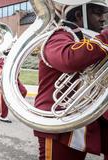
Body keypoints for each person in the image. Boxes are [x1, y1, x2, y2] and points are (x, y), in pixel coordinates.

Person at [34, 1, 108, 159]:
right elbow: (68, 60)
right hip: (59, 123)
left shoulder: (93, 40)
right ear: (79, 15)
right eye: (97, 12)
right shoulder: (59, 35)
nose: (103, 18)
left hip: (86, 119)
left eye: (104, 13)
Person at [0, 49, 27, 123]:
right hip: (4, 79)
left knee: (23, 91)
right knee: (3, 98)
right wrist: (2, 73)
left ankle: (14, 105)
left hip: (14, 79)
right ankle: (3, 116)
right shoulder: (3, 57)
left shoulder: (14, 58)